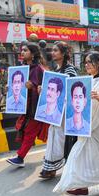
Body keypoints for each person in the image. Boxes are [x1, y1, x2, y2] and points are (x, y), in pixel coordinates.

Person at [53, 51, 99, 196]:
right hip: (85, 128)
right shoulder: (87, 80)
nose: (87, 65)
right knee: (78, 155)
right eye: (85, 62)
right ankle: (80, 186)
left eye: (90, 62)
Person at [39, 41, 79, 179]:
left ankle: (54, 168)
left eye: (56, 50)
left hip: (65, 111)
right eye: (52, 50)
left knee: (60, 138)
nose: (53, 53)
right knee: (54, 136)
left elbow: (73, 89)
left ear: (63, 53)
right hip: (55, 111)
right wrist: (42, 90)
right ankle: (49, 167)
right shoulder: (56, 70)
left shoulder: (70, 70)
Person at [7, 43, 48, 168]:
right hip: (26, 107)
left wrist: (34, 87)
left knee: (30, 132)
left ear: (33, 53)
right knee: (32, 132)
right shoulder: (23, 69)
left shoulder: (39, 69)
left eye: (25, 50)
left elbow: (46, 89)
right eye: (22, 50)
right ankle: (54, 154)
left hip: (36, 108)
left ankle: (20, 157)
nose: (22, 52)